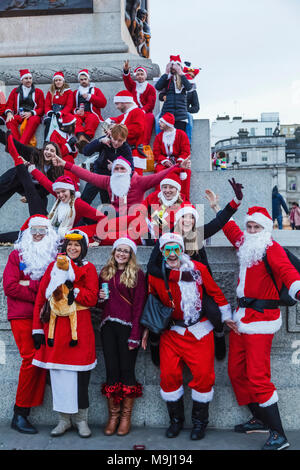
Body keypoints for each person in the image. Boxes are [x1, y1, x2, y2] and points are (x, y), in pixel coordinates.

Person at [220, 206, 300, 450]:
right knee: (235, 372)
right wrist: (219, 207)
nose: (252, 230)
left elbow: (288, 272)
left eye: (257, 227)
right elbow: (231, 230)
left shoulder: (272, 248)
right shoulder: (246, 243)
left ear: (266, 228)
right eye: (250, 226)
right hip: (241, 319)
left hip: (262, 322)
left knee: (258, 377)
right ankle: (261, 419)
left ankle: (279, 435)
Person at [147, 232, 234, 441]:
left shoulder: (198, 269)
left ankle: (199, 423)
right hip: (172, 332)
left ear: (182, 250)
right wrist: (146, 331)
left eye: (175, 248)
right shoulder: (156, 274)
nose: (172, 253)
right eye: (167, 249)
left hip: (199, 331)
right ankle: (175, 421)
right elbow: (151, 303)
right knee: (168, 376)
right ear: (162, 252)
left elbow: (216, 293)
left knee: (204, 377)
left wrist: (226, 316)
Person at [147, 179, 243, 363]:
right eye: (184, 217)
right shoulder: (167, 238)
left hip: (199, 288)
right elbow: (152, 267)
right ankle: (154, 345)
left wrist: (235, 201)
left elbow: (219, 222)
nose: (188, 221)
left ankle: (219, 335)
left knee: (215, 313)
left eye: (192, 218)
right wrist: (179, 276)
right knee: (155, 321)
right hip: (170, 288)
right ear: (178, 220)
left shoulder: (196, 236)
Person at [32, 229, 99, 438]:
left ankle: (81, 421)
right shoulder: (54, 268)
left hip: (79, 331)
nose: (72, 248)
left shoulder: (89, 269)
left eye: (77, 245)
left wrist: (74, 290)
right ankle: (63, 420)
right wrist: (37, 330)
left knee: (81, 378)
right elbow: (41, 299)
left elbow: (92, 298)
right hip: (55, 329)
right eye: (69, 244)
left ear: (83, 248)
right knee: (58, 377)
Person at [3, 214, 59, 434]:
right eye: (34, 230)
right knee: (31, 358)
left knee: (45, 358)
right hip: (22, 316)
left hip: (47, 316)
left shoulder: (54, 255)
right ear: (27, 233)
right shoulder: (17, 255)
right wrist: (38, 288)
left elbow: (57, 285)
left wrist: (28, 284)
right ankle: (20, 413)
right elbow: (10, 286)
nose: (38, 234)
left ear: (48, 233)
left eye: (42, 231)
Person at [98, 237, 147, 436]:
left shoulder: (137, 274)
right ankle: (113, 416)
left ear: (131, 255)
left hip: (128, 328)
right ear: (114, 252)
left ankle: (125, 417)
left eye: (126, 251)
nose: (122, 254)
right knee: (111, 371)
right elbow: (100, 304)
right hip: (108, 327)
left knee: (127, 371)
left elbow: (139, 307)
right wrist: (99, 298)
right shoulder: (104, 272)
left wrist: (135, 334)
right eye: (119, 250)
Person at [0, 130, 63, 215]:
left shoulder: (56, 169)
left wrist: (28, 196)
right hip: (17, 178)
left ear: (56, 154)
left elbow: (46, 190)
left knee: (42, 199)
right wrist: (3, 135)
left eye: (52, 151)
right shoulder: (35, 154)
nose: (48, 152)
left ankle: (40, 223)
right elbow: (18, 146)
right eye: (46, 149)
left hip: (33, 187)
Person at [81, 124, 134, 206]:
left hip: (112, 178)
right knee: (84, 199)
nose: (116, 143)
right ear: (111, 135)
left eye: (120, 141)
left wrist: (115, 167)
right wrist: (99, 141)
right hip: (98, 173)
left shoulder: (126, 149)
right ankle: (79, 217)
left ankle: (107, 217)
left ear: (124, 140)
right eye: (115, 139)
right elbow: (85, 151)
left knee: (108, 205)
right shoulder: (105, 141)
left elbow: (131, 169)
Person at [105, 90, 146, 174]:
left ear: (124, 102)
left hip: (134, 153)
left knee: (134, 182)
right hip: (127, 151)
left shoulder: (137, 112)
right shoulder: (128, 113)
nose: (116, 107)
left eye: (117, 104)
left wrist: (116, 129)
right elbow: (117, 119)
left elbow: (137, 130)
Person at [153, 112, 191, 199]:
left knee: (185, 172)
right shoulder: (159, 137)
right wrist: (165, 161)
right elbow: (156, 152)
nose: (159, 123)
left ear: (168, 123)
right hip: (164, 162)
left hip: (179, 161)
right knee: (159, 171)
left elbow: (186, 150)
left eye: (162, 122)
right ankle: (159, 199)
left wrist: (180, 162)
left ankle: (183, 199)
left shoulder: (181, 134)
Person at [5, 69, 45, 145]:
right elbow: (9, 105)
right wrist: (9, 113)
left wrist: (31, 113)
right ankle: (18, 144)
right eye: (26, 78)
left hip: (32, 115)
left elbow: (42, 108)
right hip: (19, 115)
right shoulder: (15, 91)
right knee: (10, 120)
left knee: (34, 120)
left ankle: (21, 145)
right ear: (21, 80)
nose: (28, 80)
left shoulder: (39, 92)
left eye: (30, 78)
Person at [155, 55, 192, 133]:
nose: (174, 69)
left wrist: (180, 73)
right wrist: (166, 73)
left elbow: (189, 88)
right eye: (172, 67)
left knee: (179, 138)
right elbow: (157, 87)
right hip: (167, 114)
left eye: (176, 67)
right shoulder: (167, 78)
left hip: (181, 114)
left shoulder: (184, 78)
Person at [123, 60, 156, 145]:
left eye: (142, 74)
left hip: (146, 112)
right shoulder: (133, 85)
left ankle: (144, 144)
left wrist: (142, 111)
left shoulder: (150, 88)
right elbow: (127, 81)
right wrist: (126, 72)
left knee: (149, 118)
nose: (140, 76)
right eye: (138, 74)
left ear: (145, 76)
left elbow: (151, 103)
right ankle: (128, 142)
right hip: (134, 111)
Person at [73, 69, 107, 153]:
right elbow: (71, 106)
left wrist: (90, 97)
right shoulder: (75, 92)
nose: (83, 81)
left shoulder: (96, 90)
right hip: (80, 114)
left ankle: (85, 139)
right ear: (79, 81)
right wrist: (76, 110)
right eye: (81, 79)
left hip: (92, 113)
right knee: (74, 119)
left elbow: (103, 103)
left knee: (92, 119)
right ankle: (81, 137)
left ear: (89, 80)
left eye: (85, 79)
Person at [44, 71, 74, 141]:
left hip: (63, 113)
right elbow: (47, 105)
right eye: (56, 80)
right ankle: (47, 142)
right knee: (49, 122)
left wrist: (61, 113)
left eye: (60, 80)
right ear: (54, 82)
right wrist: (49, 112)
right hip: (52, 113)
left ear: (63, 81)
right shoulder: (50, 92)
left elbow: (69, 105)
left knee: (61, 122)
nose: (58, 82)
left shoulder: (68, 92)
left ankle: (62, 142)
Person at [183, 62, 200, 143]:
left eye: (192, 76)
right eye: (188, 75)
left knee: (189, 118)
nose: (190, 77)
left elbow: (196, 107)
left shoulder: (193, 91)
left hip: (184, 112)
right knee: (158, 118)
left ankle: (187, 143)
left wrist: (186, 110)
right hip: (171, 110)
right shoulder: (175, 84)